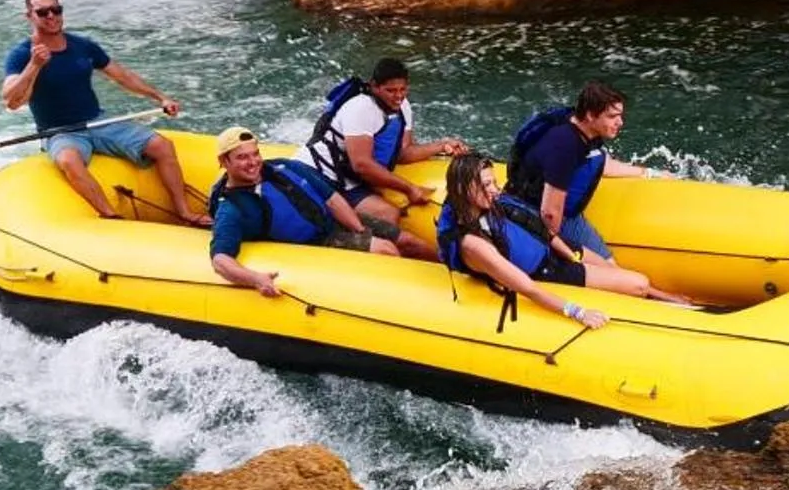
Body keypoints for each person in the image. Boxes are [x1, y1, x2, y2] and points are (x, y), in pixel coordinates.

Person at [0, 0, 202, 223]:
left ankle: (184, 211)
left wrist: (160, 98)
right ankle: (112, 216)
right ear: (29, 16)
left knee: (162, 146)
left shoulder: (82, 45)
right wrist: (34, 65)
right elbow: (10, 99)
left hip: (99, 121)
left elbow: (122, 76)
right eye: (43, 12)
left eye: (56, 9)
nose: (52, 16)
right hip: (59, 131)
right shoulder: (21, 54)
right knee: (68, 161)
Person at [435, 151, 691, 327]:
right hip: (545, 271)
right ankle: (663, 305)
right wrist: (578, 312)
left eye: (494, 182)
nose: (495, 190)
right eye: (486, 185)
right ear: (462, 189)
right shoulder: (473, 244)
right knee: (637, 283)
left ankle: (664, 297)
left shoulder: (494, 203)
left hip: (555, 250)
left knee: (618, 272)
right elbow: (527, 287)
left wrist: (571, 255)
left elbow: (543, 231)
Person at [207, 126, 400, 298]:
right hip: (315, 243)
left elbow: (331, 198)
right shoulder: (231, 208)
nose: (252, 162)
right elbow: (220, 260)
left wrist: (359, 230)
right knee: (385, 249)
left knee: (409, 242)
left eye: (255, 154)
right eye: (242, 157)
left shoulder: (282, 167)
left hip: (331, 219)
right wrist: (255, 279)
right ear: (224, 161)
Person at [305, 56, 464, 261]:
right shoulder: (361, 108)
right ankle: (377, 261)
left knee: (389, 215)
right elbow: (361, 164)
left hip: (350, 178)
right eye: (391, 90)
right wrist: (409, 188)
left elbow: (402, 152)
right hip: (323, 175)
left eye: (403, 89)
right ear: (374, 87)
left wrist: (442, 145)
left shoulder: (402, 107)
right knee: (387, 214)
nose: (398, 96)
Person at [507, 80, 666, 262]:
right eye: (612, 116)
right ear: (591, 115)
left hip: (568, 215)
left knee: (610, 268)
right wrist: (560, 256)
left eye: (620, 116)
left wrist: (649, 173)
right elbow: (550, 213)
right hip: (535, 213)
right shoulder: (564, 146)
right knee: (611, 273)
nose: (620, 122)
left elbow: (598, 162)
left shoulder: (585, 130)